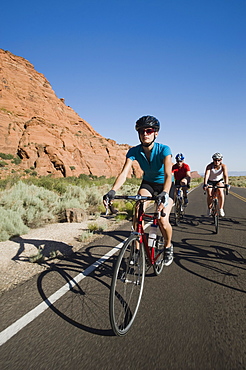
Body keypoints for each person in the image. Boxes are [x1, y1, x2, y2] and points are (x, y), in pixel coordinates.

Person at [103, 115, 175, 266]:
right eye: (142, 131)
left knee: (162, 219)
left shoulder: (164, 149)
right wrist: (112, 191)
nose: (145, 134)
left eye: (149, 130)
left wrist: (165, 193)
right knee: (137, 212)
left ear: (156, 133)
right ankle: (136, 250)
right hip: (148, 183)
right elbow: (124, 173)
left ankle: (168, 246)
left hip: (166, 185)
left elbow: (169, 174)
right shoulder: (134, 151)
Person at [203, 152, 229, 217]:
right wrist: (205, 184)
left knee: (220, 190)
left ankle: (221, 209)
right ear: (213, 160)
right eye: (215, 160)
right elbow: (207, 175)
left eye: (219, 160)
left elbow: (225, 175)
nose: (217, 161)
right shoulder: (209, 166)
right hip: (210, 181)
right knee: (209, 194)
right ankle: (209, 208)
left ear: (221, 160)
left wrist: (226, 184)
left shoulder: (223, 166)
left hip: (219, 181)